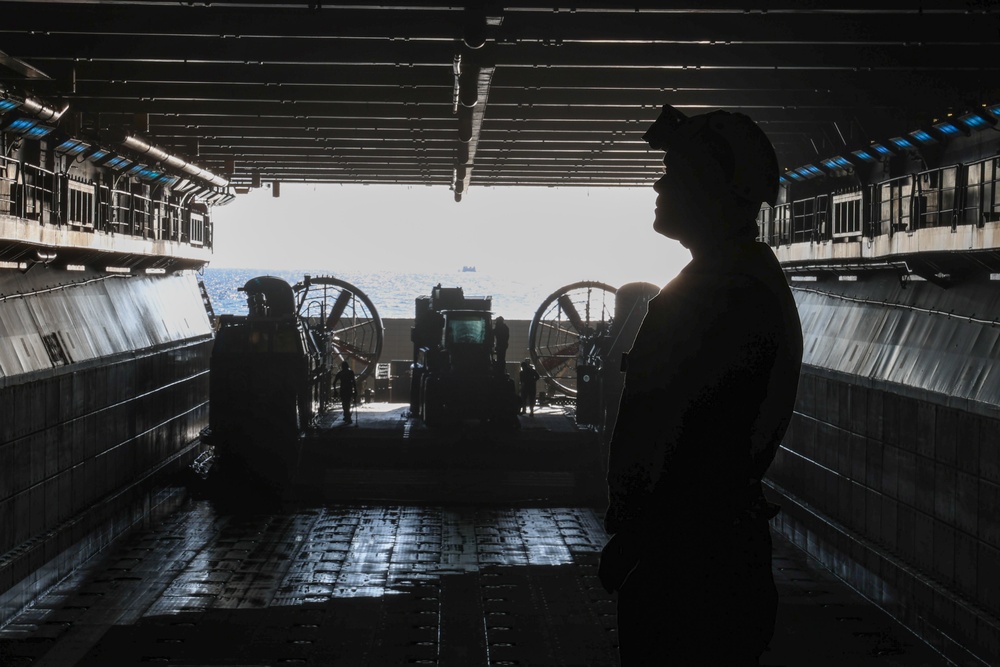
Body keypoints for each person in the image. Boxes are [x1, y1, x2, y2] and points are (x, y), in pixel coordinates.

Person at [598, 105, 803, 665]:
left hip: (690, 564)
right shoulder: (736, 281)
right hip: (702, 551)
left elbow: (694, 442)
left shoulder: (722, 296)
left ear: (716, 187)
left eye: (676, 171)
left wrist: (642, 540)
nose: (660, 183)